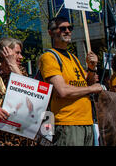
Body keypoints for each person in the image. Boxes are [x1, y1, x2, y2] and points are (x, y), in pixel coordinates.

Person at [38, 16, 103, 146]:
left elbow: (87, 84)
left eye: (70, 28)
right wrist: (92, 89)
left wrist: (92, 68)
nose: (67, 31)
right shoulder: (49, 57)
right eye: (62, 28)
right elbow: (62, 91)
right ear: (51, 32)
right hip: (67, 123)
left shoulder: (73, 57)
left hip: (87, 121)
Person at [0, 37, 36, 146]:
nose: (21, 57)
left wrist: (12, 65)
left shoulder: (21, 71)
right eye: (17, 53)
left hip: (22, 138)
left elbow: (30, 94)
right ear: (5, 53)